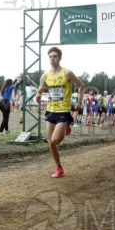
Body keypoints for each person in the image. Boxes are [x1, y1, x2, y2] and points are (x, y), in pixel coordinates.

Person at [36, 47, 84, 178]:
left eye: (55, 56)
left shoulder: (67, 73)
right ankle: (59, 168)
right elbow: (41, 87)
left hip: (63, 111)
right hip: (50, 111)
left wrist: (79, 102)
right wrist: (38, 94)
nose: (52, 59)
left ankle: (66, 125)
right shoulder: (45, 75)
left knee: (55, 140)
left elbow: (81, 85)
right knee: (50, 142)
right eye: (50, 56)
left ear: (60, 58)